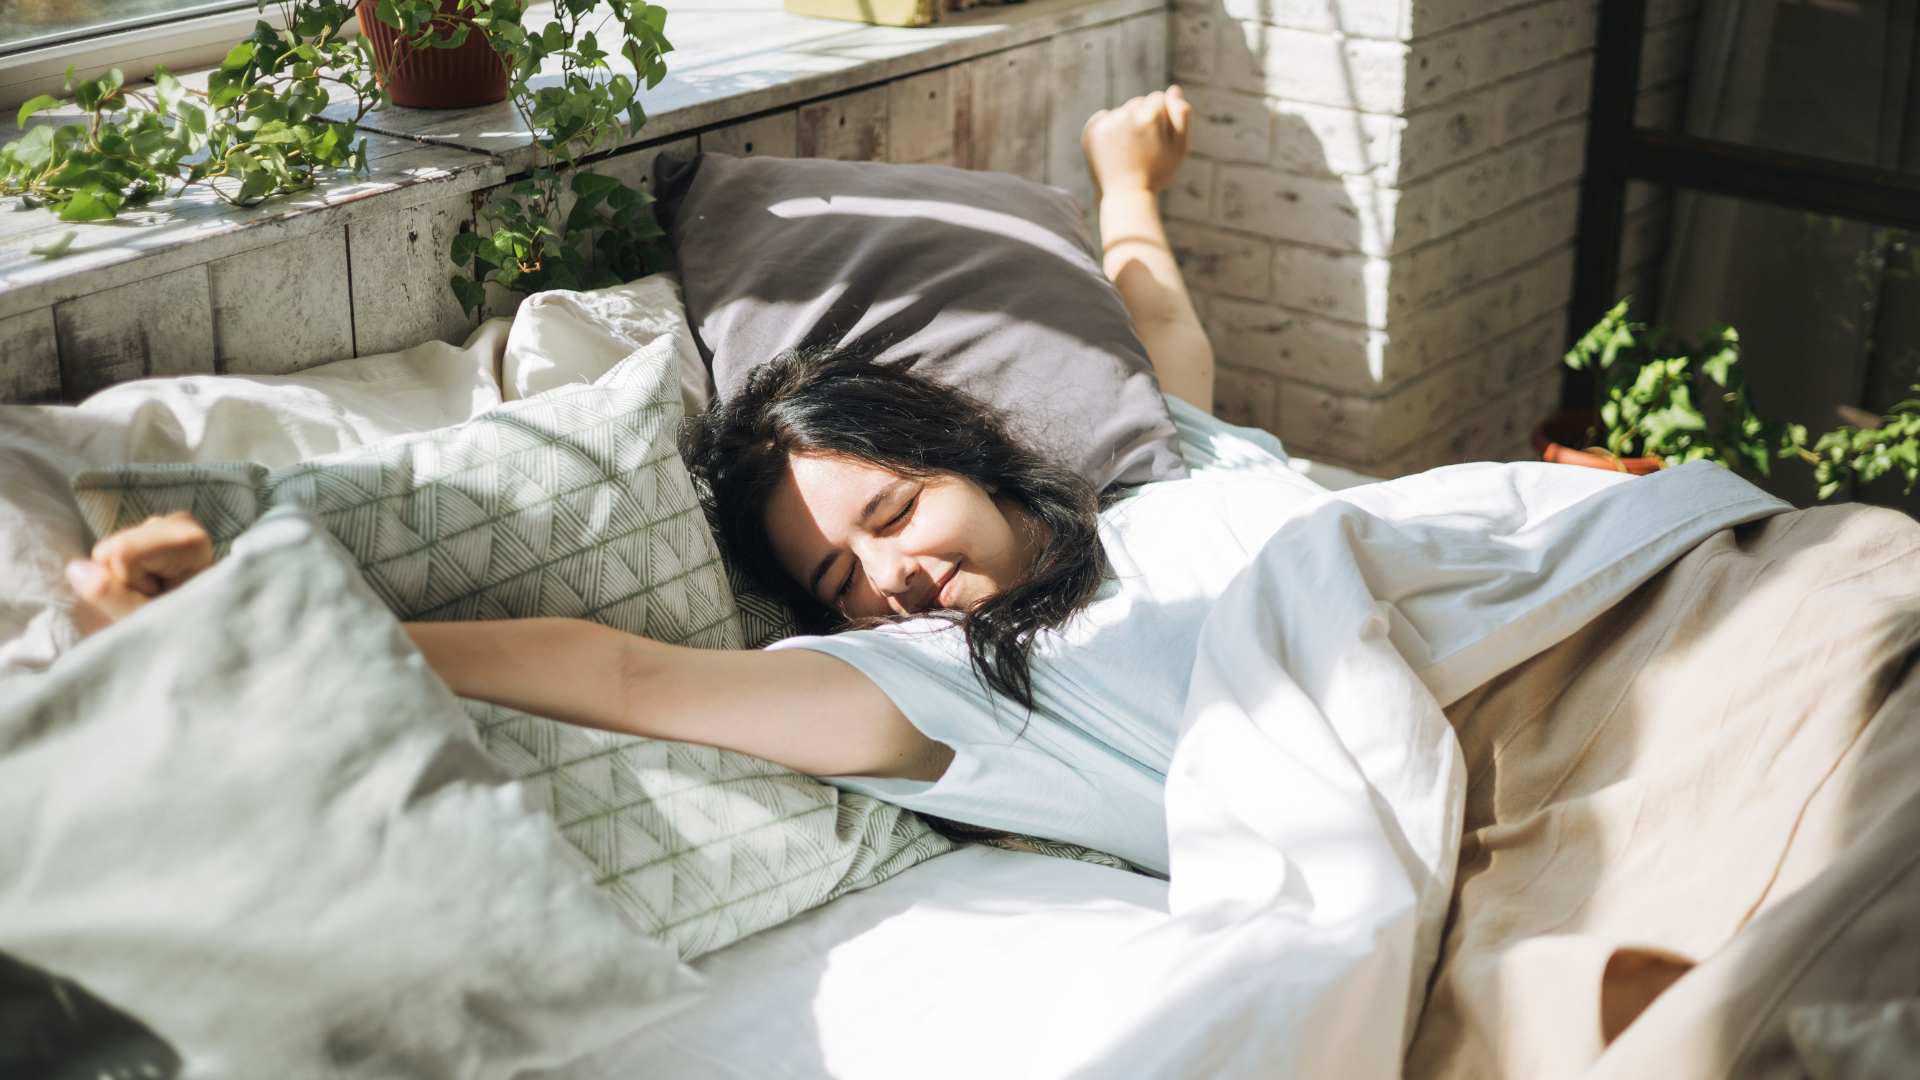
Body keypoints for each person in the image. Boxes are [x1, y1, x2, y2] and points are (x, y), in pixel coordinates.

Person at [66, 86, 1305, 870]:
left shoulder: (1155, 478)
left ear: (974, 463)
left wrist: (1127, 183)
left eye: (892, 510)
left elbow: (1168, 339)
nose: (892, 577)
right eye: (836, 577)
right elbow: (615, 671)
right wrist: (241, 606)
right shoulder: (955, 688)